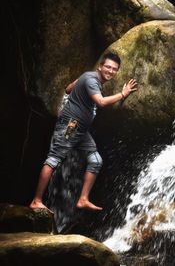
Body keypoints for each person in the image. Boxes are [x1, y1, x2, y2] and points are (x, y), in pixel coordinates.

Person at [30, 52, 137, 212]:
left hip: (81, 130)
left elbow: (68, 89)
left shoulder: (88, 77)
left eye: (115, 69)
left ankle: (83, 199)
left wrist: (74, 96)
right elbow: (100, 102)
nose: (111, 71)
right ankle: (36, 201)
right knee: (54, 159)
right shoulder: (91, 79)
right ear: (100, 66)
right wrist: (123, 94)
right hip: (70, 126)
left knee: (96, 160)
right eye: (108, 67)